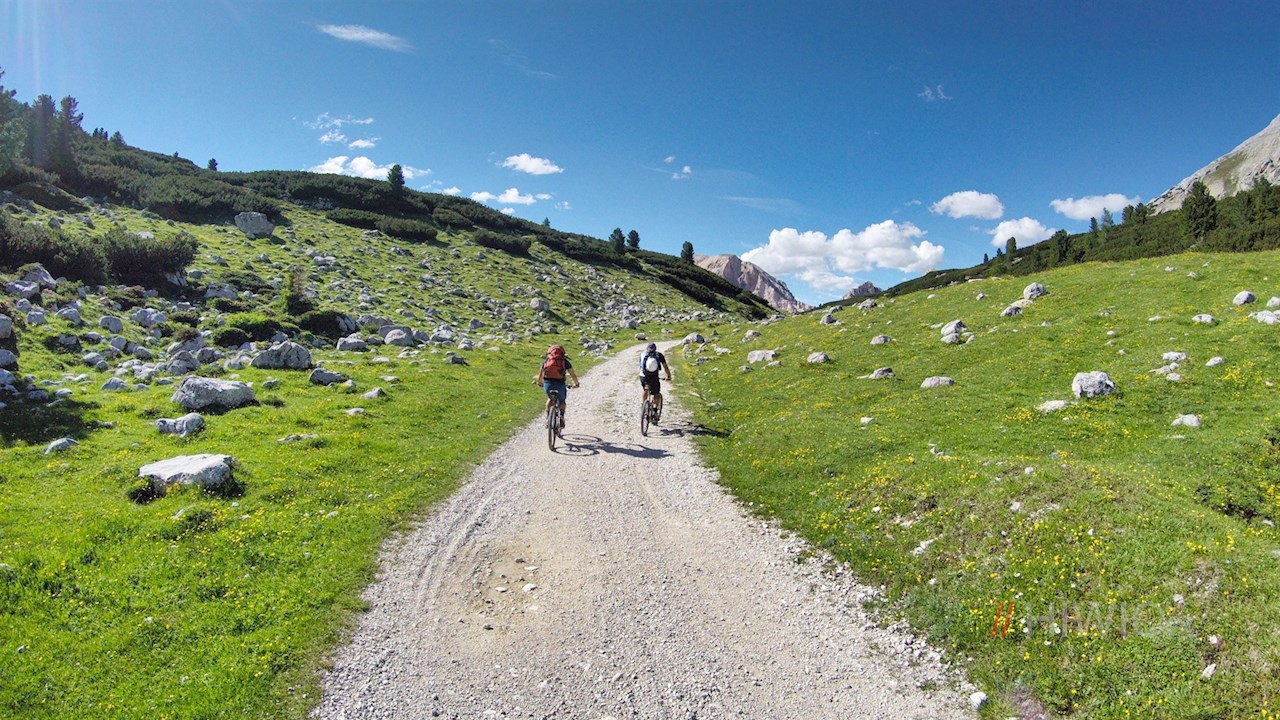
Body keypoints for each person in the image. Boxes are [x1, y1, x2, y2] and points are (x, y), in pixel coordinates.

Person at [535, 344, 580, 429]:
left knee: (550, 399)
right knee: (562, 401)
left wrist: (539, 382)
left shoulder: (547, 360)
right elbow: (573, 375)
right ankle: (561, 417)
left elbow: (540, 374)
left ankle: (548, 419)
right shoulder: (564, 361)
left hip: (548, 384)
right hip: (560, 384)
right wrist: (576, 384)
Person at [639, 342, 672, 416]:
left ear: (647, 348)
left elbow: (640, 366)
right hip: (654, 377)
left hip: (643, 376)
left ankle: (643, 406)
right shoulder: (659, 355)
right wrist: (668, 376)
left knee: (646, 389)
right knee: (656, 394)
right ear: (655, 348)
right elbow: (665, 367)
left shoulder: (642, 354)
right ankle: (654, 410)